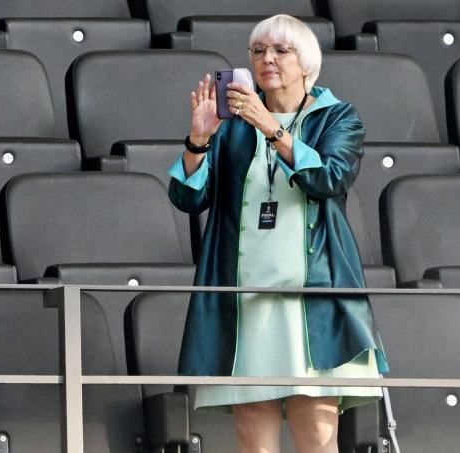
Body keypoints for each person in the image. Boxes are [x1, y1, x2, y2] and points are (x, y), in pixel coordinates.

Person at [167, 14, 390, 453]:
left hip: (314, 298)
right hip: (247, 298)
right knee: (253, 436)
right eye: (258, 51)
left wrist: (269, 126)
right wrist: (198, 140)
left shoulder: (337, 116)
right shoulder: (231, 124)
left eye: (280, 50)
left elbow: (328, 178)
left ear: (305, 63)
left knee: (318, 434)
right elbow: (187, 198)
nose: (266, 59)